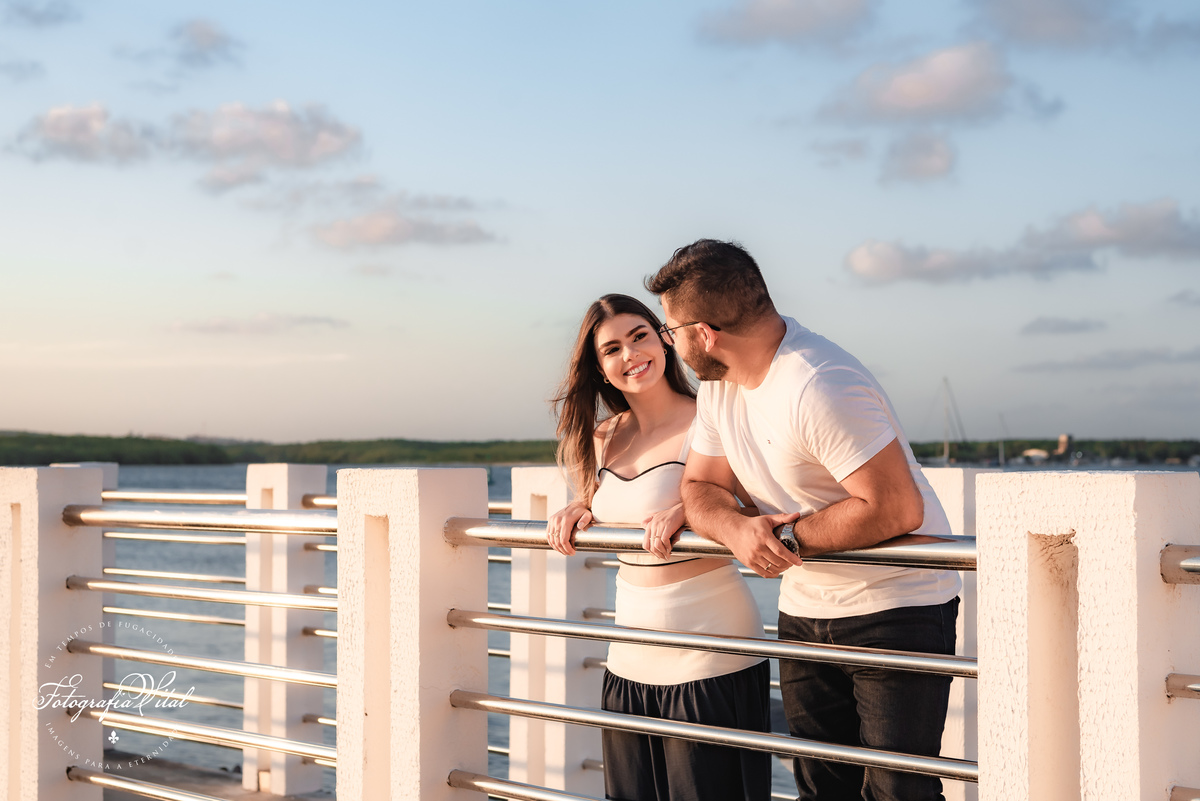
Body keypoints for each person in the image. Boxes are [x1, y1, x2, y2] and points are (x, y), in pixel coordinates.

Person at [644, 240, 962, 801]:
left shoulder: (820, 383)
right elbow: (699, 486)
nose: (670, 343)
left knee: (898, 794)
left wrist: (782, 538)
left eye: (670, 330)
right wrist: (740, 531)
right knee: (822, 786)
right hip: (804, 608)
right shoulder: (720, 388)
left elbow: (894, 506)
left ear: (705, 333)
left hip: (896, 610)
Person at [545, 293, 771, 801]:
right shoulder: (604, 436)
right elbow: (607, 502)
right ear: (600, 367)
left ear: (666, 339)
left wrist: (693, 509)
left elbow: (760, 505)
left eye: (640, 335)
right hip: (628, 655)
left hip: (711, 651)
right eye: (612, 348)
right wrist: (581, 507)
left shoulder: (709, 419)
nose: (630, 355)